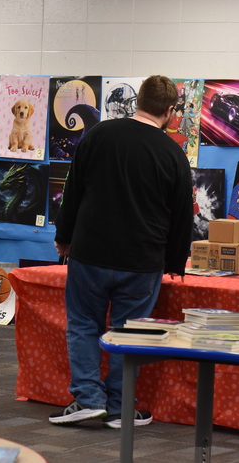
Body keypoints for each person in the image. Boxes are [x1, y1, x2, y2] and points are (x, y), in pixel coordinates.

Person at [51, 75, 194, 429]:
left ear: (138, 101)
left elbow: (73, 190)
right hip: (142, 260)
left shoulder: (99, 134)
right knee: (129, 332)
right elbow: (181, 216)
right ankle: (119, 407)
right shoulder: (173, 154)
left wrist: (64, 236)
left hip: (91, 252)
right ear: (170, 111)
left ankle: (88, 398)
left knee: (83, 324)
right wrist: (175, 262)